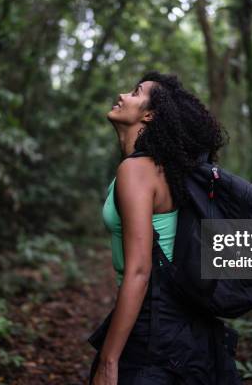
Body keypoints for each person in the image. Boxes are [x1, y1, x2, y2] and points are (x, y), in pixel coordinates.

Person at [89, 71, 241, 385]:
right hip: (189, 330)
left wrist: (108, 359)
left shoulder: (136, 170)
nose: (122, 94)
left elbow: (140, 270)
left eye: (135, 92)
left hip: (155, 328)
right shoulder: (162, 170)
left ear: (149, 114)